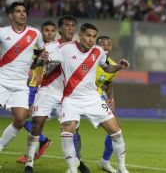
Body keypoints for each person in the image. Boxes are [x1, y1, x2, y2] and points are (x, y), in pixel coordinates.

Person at [40, 23, 130, 173]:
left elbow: (107, 67)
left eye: (94, 36)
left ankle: (121, 167)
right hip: (70, 99)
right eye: (88, 35)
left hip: (92, 98)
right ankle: (72, 170)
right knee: (67, 133)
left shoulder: (98, 51)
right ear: (80, 35)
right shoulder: (65, 49)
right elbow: (45, 60)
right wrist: (42, 60)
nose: (91, 39)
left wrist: (119, 66)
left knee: (116, 131)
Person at [23, 16, 91, 173]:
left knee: (73, 130)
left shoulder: (80, 48)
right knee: (37, 125)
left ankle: (78, 161)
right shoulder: (51, 46)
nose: (70, 28)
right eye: (67, 25)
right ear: (60, 29)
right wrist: (44, 61)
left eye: (73, 25)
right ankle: (29, 162)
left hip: (67, 95)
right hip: (48, 90)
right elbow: (39, 63)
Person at [0, 2, 44, 152]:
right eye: (18, 11)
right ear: (11, 15)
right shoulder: (3, 32)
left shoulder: (35, 33)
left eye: (24, 11)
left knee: (20, 119)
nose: (22, 14)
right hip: (2, 81)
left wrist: (36, 68)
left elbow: (41, 54)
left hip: (20, 84)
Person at [17, 21, 56, 164]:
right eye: (46, 30)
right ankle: (37, 147)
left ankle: (40, 145)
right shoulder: (35, 46)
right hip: (30, 86)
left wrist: (39, 77)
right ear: (41, 32)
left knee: (22, 119)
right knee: (24, 120)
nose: (50, 33)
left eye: (52, 30)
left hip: (39, 88)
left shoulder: (57, 48)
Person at [96, 35, 121, 173]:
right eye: (102, 44)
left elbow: (107, 83)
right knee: (72, 127)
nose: (106, 47)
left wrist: (111, 98)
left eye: (109, 44)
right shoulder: (88, 58)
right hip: (77, 96)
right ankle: (74, 164)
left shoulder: (112, 65)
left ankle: (105, 161)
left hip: (97, 97)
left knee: (116, 128)